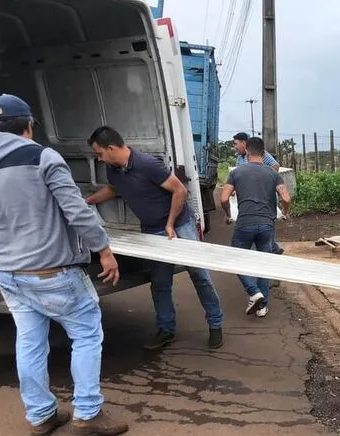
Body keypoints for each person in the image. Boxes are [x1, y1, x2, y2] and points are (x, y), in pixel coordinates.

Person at [0, 94, 128, 436]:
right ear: (30, 125)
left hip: (6, 271)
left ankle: (40, 415)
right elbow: (77, 210)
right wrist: (104, 250)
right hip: (49, 269)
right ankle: (88, 412)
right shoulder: (41, 157)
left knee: (30, 341)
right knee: (86, 332)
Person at [85, 126, 225, 350]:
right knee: (160, 283)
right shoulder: (113, 170)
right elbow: (113, 189)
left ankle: (216, 325)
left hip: (180, 226)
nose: (99, 159)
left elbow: (179, 191)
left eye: (99, 154)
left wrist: (170, 224)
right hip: (151, 229)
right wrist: (89, 201)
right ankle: (166, 330)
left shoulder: (146, 164)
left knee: (199, 275)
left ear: (111, 148)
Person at [220, 137, 291, 318]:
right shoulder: (273, 174)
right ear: (263, 152)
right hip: (267, 225)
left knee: (235, 259)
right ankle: (262, 307)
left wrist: (228, 215)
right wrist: (286, 212)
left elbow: (223, 198)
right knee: (263, 264)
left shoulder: (237, 172)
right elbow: (286, 198)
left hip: (244, 223)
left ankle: (253, 292)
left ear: (248, 152)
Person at [232, 132, 285, 256]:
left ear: (244, 144)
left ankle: (271, 249)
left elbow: (275, 166)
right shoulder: (240, 158)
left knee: (262, 221)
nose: (234, 147)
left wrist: (262, 179)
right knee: (260, 224)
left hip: (264, 196)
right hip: (248, 196)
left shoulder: (261, 154)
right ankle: (272, 249)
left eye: (236, 144)